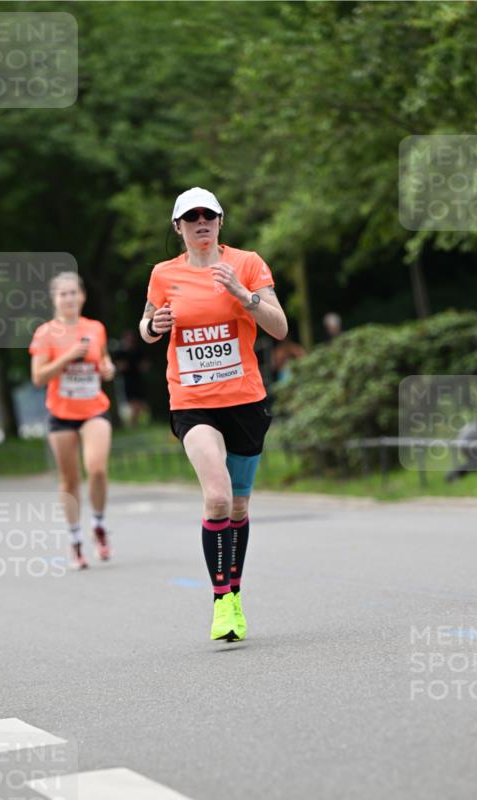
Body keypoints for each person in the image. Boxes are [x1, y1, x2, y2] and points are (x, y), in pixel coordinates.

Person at [140, 187, 288, 642]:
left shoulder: (248, 263)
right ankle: (222, 600)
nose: (201, 222)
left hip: (245, 401)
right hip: (192, 402)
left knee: (239, 505)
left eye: (209, 215)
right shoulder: (164, 274)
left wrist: (244, 295)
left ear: (221, 221)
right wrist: (152, 327)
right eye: (192, 217)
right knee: (218, 498)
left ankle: (234, 593)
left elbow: (280, 327)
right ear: (178, 227)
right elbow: (146, 326)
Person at [30, 271, 115, 570]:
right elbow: (38, 377)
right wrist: (67, 357)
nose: (68, 298)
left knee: (97, 469)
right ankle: (75, 538)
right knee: (69, 479)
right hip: (61, 414)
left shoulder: (95, 328)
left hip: (94, 410)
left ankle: (99, 525)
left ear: (82, 296)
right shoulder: (45, 333)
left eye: (73, 292)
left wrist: (108, 368)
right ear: (54, 299)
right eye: (62, 293)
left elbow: (103, 359)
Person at [114, 329, 151, 427]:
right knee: (132, 402)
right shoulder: (120, 352)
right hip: (127, 380)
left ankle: (137, 422)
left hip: (138, 379)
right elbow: (118, 366)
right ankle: (133, 423)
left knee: (140, 402)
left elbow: (145, 365)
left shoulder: (138, 350)